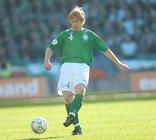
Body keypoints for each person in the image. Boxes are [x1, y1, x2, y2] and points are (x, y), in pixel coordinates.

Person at [44, 6, 130, 135]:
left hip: (82, 66)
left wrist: (118, 63)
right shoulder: (65, 34)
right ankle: (77, 127)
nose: (75, 24)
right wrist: (47, 60)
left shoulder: (89, 35)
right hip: (66, 67)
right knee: (67, 97)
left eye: (77, 21)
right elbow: (50, 48)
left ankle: (72, 114)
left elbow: (105, 50)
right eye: (72, 21)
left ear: (82, 21)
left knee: (79, 90)